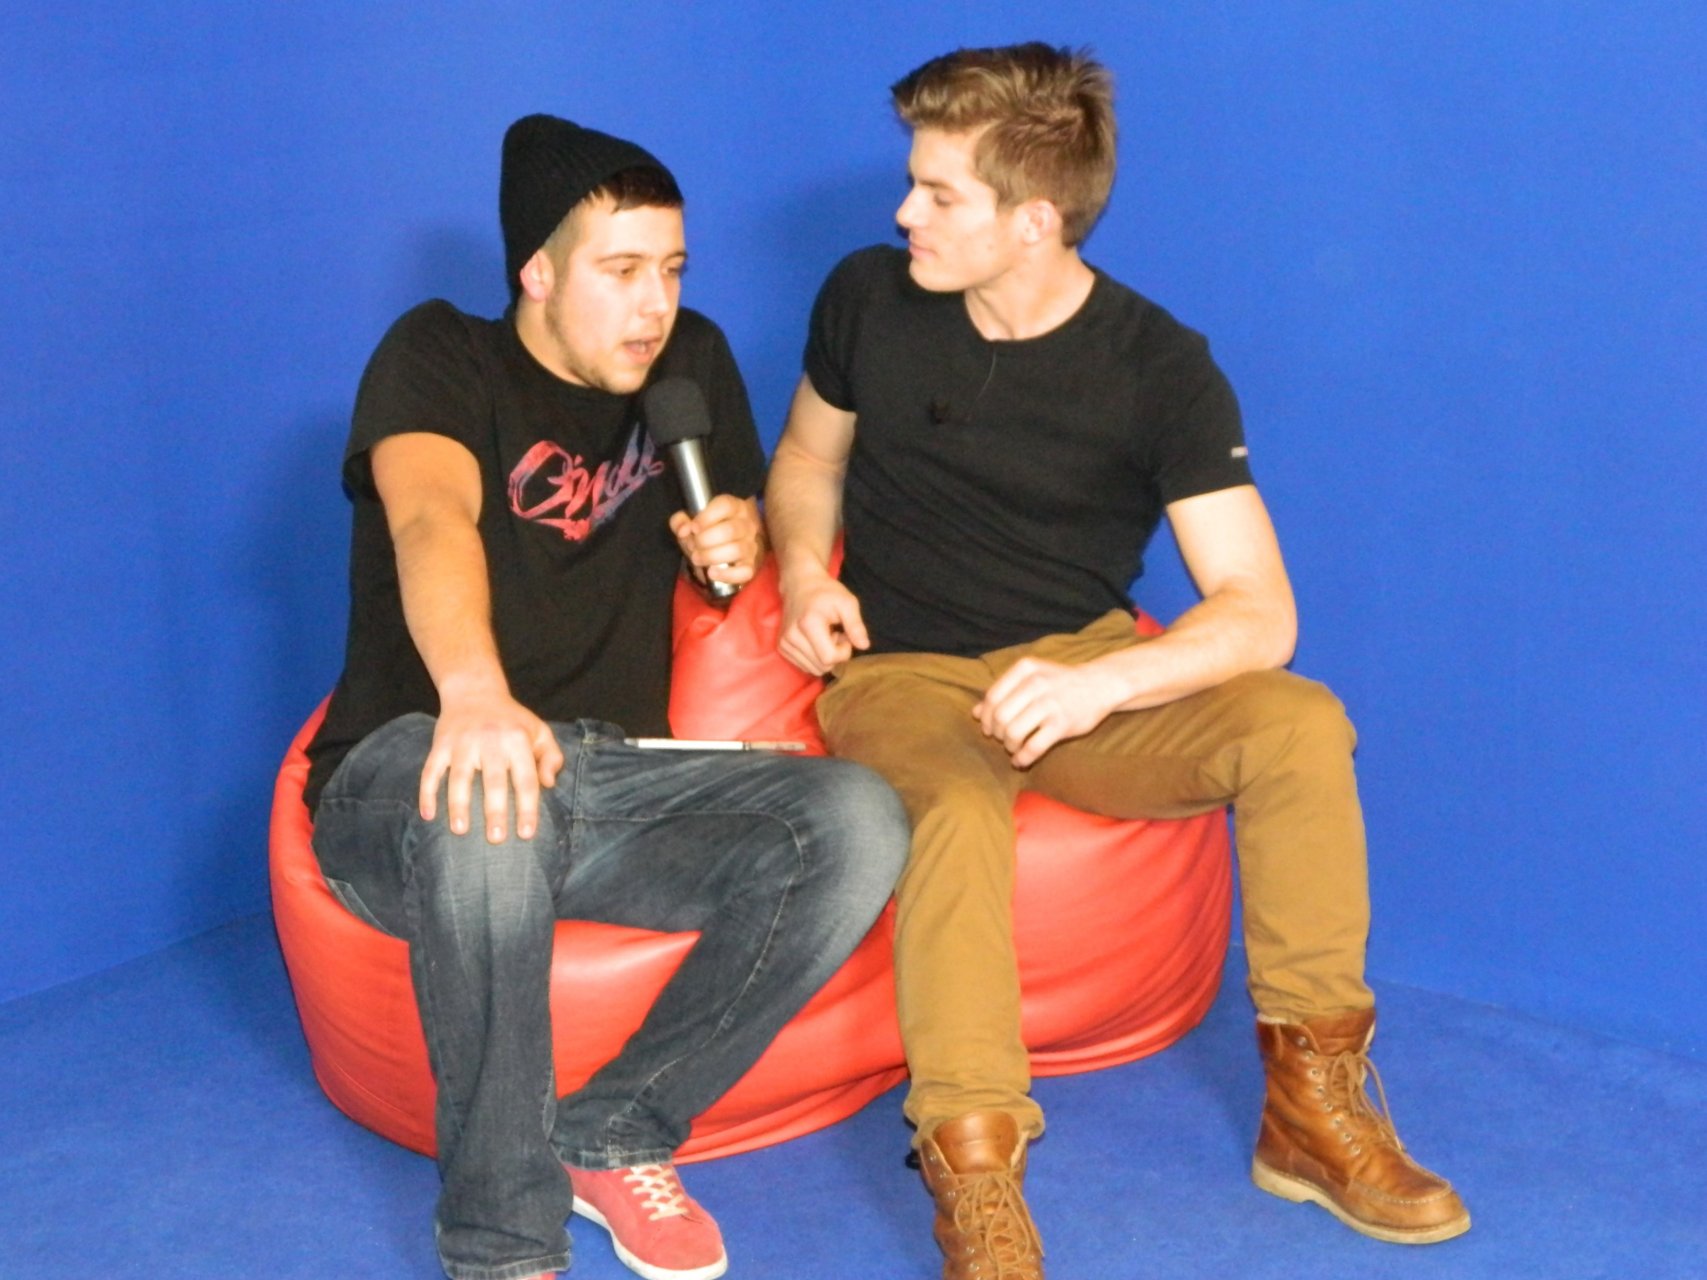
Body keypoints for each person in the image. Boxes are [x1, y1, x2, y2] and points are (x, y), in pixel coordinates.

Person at [765, 43, 1469, 1279]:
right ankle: (975, 1171)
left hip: (1080, 674)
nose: (904, 212)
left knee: (1300, 722)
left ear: (1034, 220)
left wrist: (1098, 683)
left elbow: (1259, 611)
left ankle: (1312, 1109)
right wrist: (805, 573)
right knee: (957, 813)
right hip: (904, 671)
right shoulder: (867, 297)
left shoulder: (1159, 365)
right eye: (912, 182)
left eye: (938, 193)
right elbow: (808, 461)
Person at [304, 113, 909, 1280]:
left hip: (607, 772)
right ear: (536, 272)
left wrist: (733, 539)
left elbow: (729, 524)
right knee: (491, 804)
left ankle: (616, 1127)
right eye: (622, 271)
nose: (655, 305)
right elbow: (430, 518)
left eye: (672, 269)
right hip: (412, 766)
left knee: (858, 818)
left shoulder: (691, 365)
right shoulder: (438, 354)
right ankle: (504, 1241)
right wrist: (476, 694)